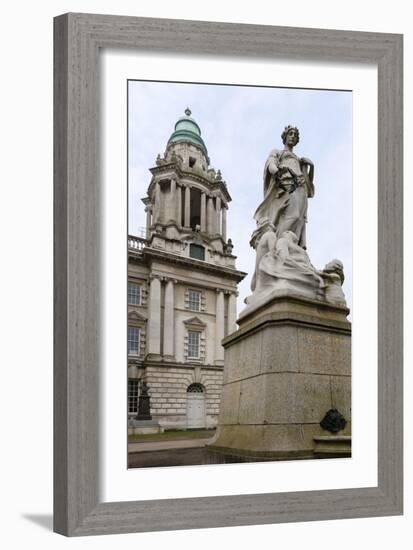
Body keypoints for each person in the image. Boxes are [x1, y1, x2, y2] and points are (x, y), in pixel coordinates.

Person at [253, 126, 314, 249]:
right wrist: (278, 173)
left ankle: (292, 246)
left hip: (301, 188)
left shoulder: (299, 159)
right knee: (293, 215)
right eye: (290, 134)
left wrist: (311, 166)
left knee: (300, 219)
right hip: (287, 185)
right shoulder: (278, 152)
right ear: (285, 136)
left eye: (295, 135)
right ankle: (277, 246)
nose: (292, 136)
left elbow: (309, 185)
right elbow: (271, 164)